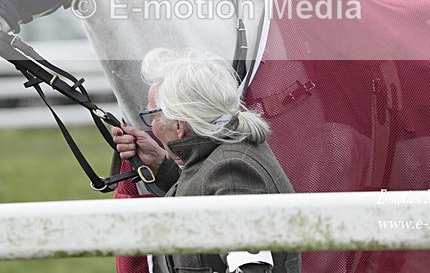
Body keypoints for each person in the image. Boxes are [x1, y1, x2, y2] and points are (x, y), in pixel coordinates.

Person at [113, 47, 301, 273]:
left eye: (153, 115)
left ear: (179, 126)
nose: (150, 124)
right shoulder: (227, 152)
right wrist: (161, 165)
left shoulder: (232, 171)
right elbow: (204, 193)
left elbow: (252, 269)